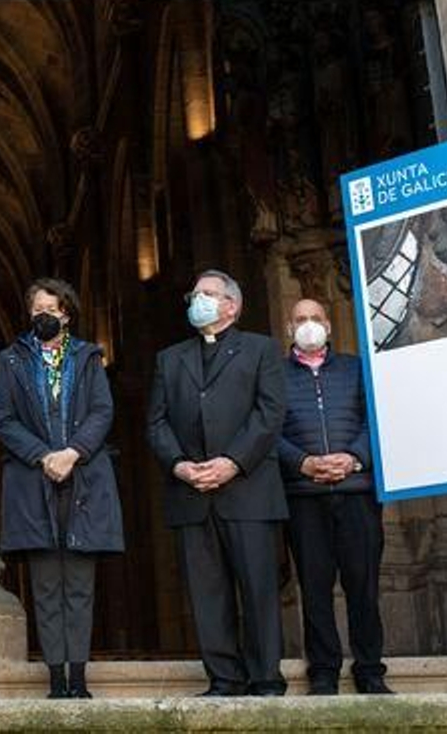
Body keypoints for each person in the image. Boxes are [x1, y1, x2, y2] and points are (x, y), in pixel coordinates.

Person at [146, 269, 288, 697]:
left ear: (232, 305)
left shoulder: (261, 349)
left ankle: (265, 677)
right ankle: (224, 678)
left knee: (258, 588)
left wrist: (233, 462)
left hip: (248, 490)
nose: (197, 300)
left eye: (207, 294)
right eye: (194, 294)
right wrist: (179, 465)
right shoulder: (170, 359)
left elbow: (270, 414)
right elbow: (156, 423)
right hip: (191, 493)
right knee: (207, 594)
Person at [0, 278, 122, 699]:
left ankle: (79, 679)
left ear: (66, 313)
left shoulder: (88, 357)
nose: (42, 316)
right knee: (46, 585)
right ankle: (56, 680)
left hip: (83, 478)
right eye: (36, 311)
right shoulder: (12, 361)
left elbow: (103, 410)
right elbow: (4, 419)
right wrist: (43, 456)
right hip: (34, 482)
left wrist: (73, 452)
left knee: (80, 585)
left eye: (50, 309)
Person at [278, 298, 392, 696]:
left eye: (315, 318)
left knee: (364, 585)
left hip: (356, 492)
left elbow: (374, 419)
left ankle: (370, 670)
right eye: (300, 320)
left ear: (329, 324)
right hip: (304, 496)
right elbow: (269, 433)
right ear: (289, 328)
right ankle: (323, 672)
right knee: (314, 587)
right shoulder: (274, 375)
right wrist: (304, 463)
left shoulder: (355, 368)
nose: (309, 325)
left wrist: (355, 458)